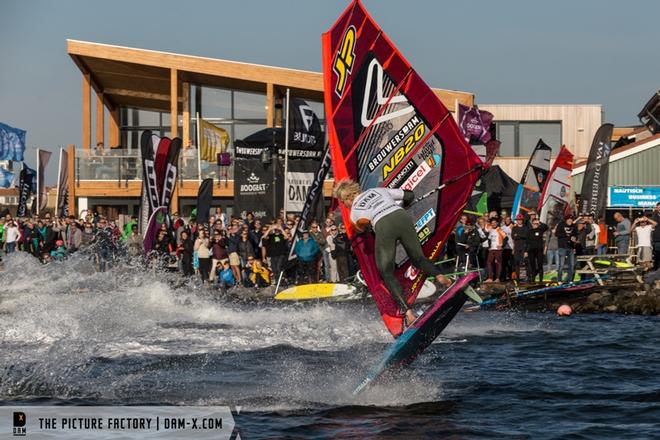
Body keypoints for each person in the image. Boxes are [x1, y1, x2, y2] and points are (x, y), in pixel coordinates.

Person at [335, 180, 450, 327]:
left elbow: (359, 229)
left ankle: (408, 314)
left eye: (343, 202)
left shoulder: (355, 210)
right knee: (418, 258)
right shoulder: (378, 190)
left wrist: (367, 225)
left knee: (386, 272)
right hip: (401, 216)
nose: (344, 205)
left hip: (383, 226)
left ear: (349, 197)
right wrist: (404, 205)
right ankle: (441, 277)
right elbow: (409, 195)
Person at [555, 215, 578, 283]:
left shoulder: (574, 226)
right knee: (561, 265)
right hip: (562, 247)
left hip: (570, 247)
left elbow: (576, 235)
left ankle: (570, 280)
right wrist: (566, 236)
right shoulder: (561, 225)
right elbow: (557, 234)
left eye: (571, 219)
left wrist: (574, 238)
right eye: (569, 219)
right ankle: (559, 280)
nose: (570, 221)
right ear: (566, 220)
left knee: (572, 265)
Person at [526, 218, 549, 283]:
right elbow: (527, 242)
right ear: (532, 224)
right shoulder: (529, 231)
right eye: (534, 224)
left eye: (537, 224)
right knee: (532, 266)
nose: (535, 225)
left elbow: (546, 227)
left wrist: (540, 222)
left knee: (540, 265)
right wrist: (526, 251)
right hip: (531, 250)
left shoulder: (540, 230)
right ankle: (533, 280)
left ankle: (541, 280)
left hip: (539, 250)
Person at [485, 218, 506, 282]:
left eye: (495, 223)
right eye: (492, 223)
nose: (493, 224)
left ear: (497, 223)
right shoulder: (491, 230)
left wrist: (501, 245)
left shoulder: (499, 230)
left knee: (498, 263)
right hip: (492, 249)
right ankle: (490, 278)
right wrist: (489, 246)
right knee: (489, 262)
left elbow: (505, 238)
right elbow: (489, 239)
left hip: (498, 249)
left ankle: (497, 278)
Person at [511, 214, 529, 281]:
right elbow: (513, 236)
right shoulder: (514, 228)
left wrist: (526, 250)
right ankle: (518, 278)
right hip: (517, 247)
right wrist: (521, 236)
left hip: (524, 247)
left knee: (525, 262)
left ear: (522, 220)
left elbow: (527, 238)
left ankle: (527, 277)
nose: (519, 221)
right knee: (517, 262)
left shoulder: (526, 228)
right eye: (518, 220)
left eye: (520, 220)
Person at [652, 203, 660, 269]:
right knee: (657, 257)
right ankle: (657, 272)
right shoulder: (654, 216)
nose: (659, 209)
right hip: (656, 239)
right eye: (658, 207)